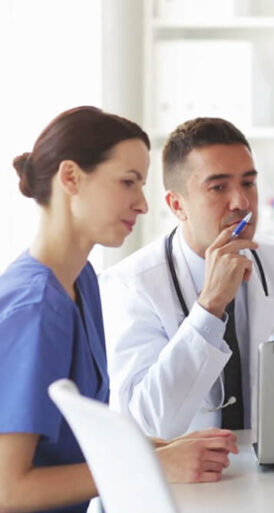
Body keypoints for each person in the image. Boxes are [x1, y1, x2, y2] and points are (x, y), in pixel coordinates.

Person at [0, 107, 238, 513]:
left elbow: (71, 443)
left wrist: (165, 448)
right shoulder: (34, 309)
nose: (143, 205)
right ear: (71, 177)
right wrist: (150, 462)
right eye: (128, 182)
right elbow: (8, 490)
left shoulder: (82, 281)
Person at [100, 117, 274, 440]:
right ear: (177, 205)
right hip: (182, 485)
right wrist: (210, 306)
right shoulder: (131, 285)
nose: (241, 202)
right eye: (219, 187)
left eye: (248, 183)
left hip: (268, 474)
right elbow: (144, 428)